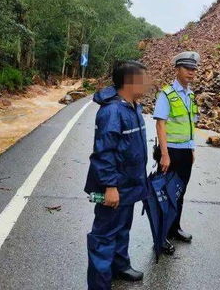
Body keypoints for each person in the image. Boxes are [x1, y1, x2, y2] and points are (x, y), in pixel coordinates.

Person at [84, 60, 150, 290]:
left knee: (123, 228)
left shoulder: (134, 106)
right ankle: (99, 285)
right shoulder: (113, 111)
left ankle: (120, 266)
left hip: (130, 184)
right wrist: (110, 186)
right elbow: (104, 152)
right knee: (103, 237)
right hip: (114, 186)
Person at [153, 51, 200, 244]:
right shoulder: (167, 94)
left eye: (194, 69)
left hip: (185, 152)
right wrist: (164, 154)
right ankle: (161, 235)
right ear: (177, 70)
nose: (191, 73)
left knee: (180, 193)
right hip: (170, 152)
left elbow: (190, 124)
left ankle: (174, 228)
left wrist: (192, 149)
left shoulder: (190, 95)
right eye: (187, 69)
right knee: (166, 193)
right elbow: (160, 124)